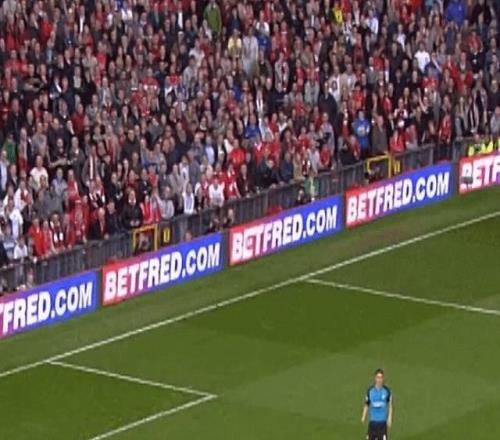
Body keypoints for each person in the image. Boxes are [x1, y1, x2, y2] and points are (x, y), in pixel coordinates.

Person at [362, 369, 393, 440]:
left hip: (382, 423)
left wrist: (390, 417)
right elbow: (367, 404)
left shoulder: (387, 391)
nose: (379, 380)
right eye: (378, 377)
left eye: (381, 377)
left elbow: (390, 405)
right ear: (375, 378)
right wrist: (364, 416)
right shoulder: (370, 391)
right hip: (372, 423)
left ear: (383, 379)